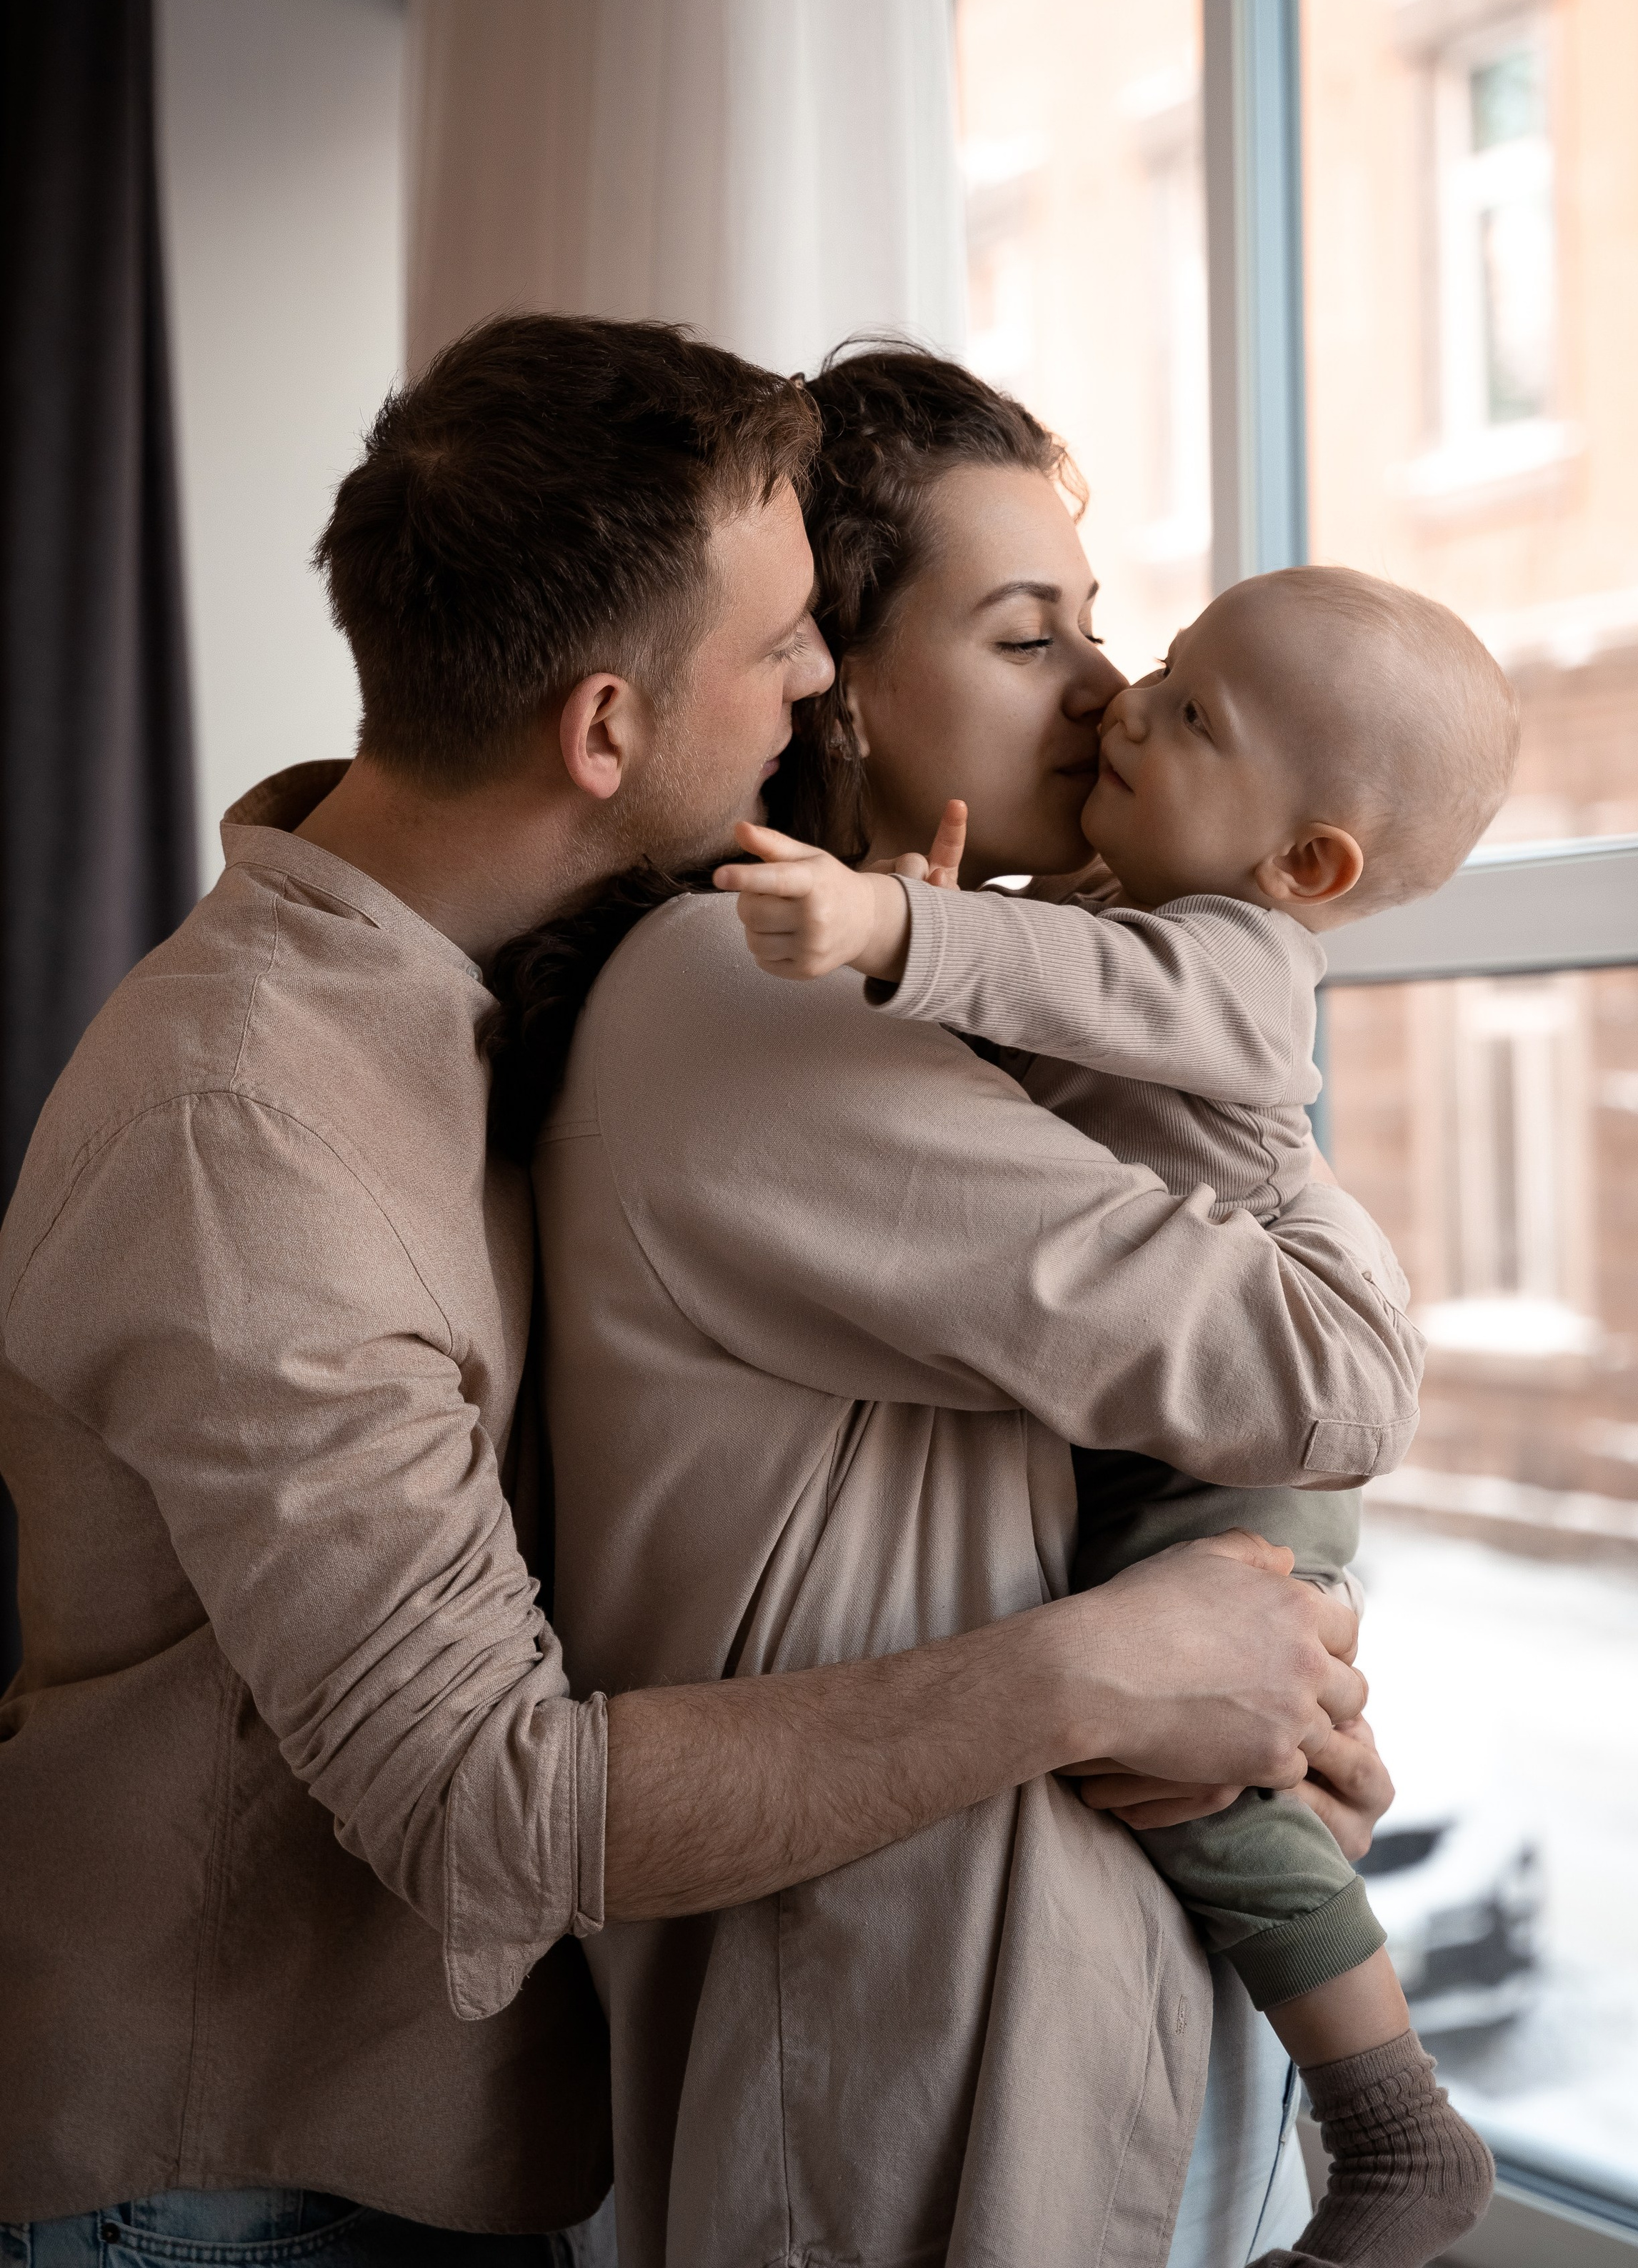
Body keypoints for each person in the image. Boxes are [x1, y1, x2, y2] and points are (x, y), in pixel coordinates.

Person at [0, 319, 1374, 2263]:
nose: (815, 684)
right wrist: (1117, 1672)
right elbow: (489, 1803)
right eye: (789, 637)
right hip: (242, 2177)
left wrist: (1261, 1701)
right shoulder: (255, 1128)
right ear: (603, 733)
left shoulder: (470, 986)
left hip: (459, 2128)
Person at [516, 348, 1425, 2268]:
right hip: (904, 2063)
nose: (1107, 685)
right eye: (1029, 638)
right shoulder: (743, 995)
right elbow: (1327, 1376)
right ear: (827, 695)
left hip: (1032, 1983)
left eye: (1098, 623)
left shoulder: (1002, 1013)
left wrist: (1277, 1676)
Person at [718, 562, 1518, 2268]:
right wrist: (917, 943)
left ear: (1301, 868)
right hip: (1171, 1425)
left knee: (1216, 1792)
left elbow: (1068, 998)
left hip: (1220, 1464)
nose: (1122, 702)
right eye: (1150, 665)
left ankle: (1392, 2124)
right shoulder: (1103, 909)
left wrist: (888, 931)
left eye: (1192, 713)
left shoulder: (1232, 962)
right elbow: (1027, 1015)